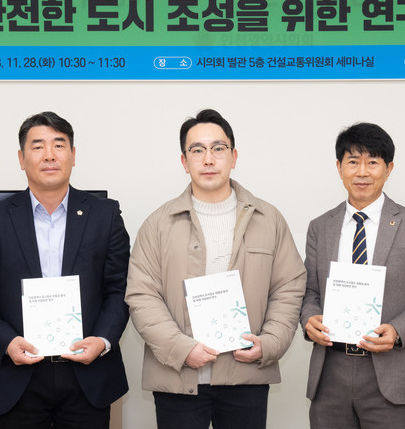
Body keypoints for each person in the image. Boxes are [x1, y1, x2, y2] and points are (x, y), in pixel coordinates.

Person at [125, 108, 306, 429]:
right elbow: (142, 295)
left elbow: (289, 288)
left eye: (218, 148)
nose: (208, 159)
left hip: (246, 374)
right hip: (178, 377)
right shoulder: (158, 224)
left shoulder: (269, 219)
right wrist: (181, 349)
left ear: (233, 156)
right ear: (184, 161)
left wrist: (269, 343)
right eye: (197, 150)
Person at [0, 111, 130, 428]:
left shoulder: (105, 214)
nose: (49, 155)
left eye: (59, 145)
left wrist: (102, 340)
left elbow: (120, 289)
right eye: (38, 146)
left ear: (73, 155)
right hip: (17, 376)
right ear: (21, 158)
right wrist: (7, 342)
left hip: (86, 375)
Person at [300, 122, 405, 429]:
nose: (362, 172)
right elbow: (310, 291)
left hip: (391, 371)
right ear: (339, 167)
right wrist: (309, 318)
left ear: (388, 168)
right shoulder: (320, 227)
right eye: (353, 162)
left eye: (373, 162)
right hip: (330, 372)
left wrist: (397, 330)